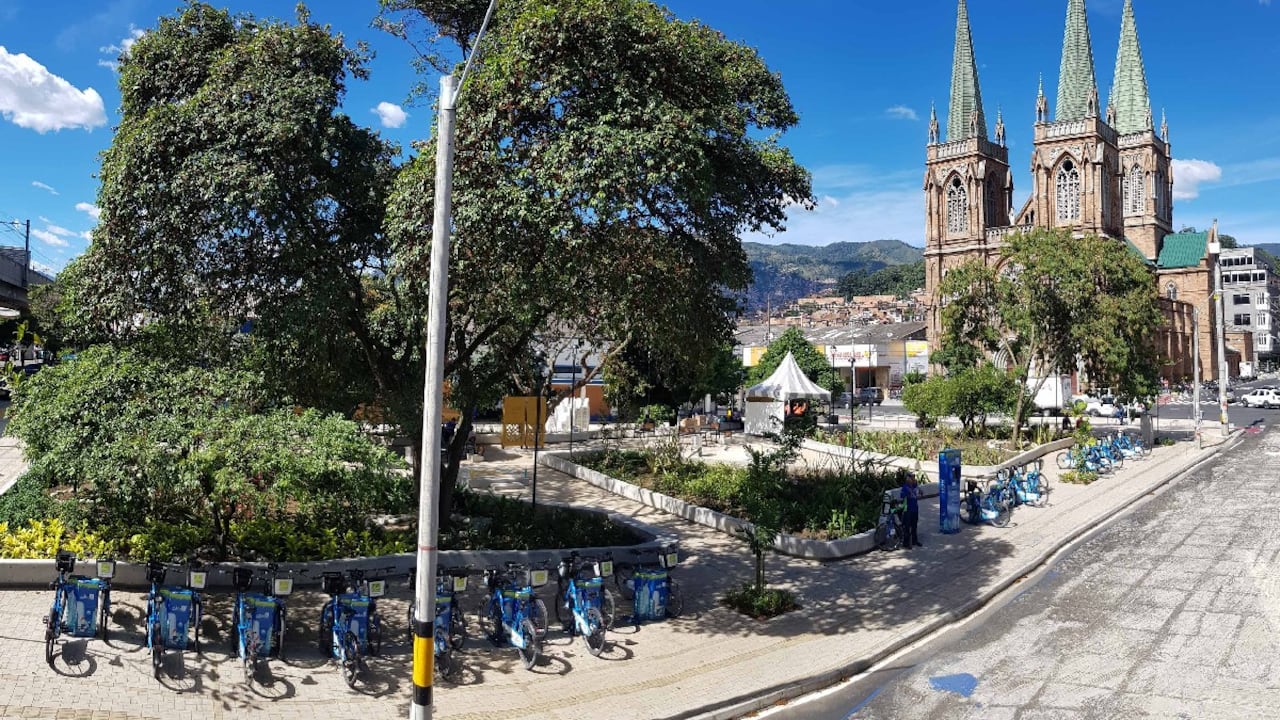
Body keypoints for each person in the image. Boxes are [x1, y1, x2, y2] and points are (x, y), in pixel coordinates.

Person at [898, 469, 921, 549]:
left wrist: (918, 489)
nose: (913, 479)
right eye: (911, 478)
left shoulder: (915, 486)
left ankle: (915, 540)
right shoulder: (905, 487)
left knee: (914, 526)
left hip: (915, 508)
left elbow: (920, 493)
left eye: (914, 477)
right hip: (908, 509)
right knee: (907, 526)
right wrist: (907, 493)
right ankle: (906, 542)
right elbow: (902, 496)